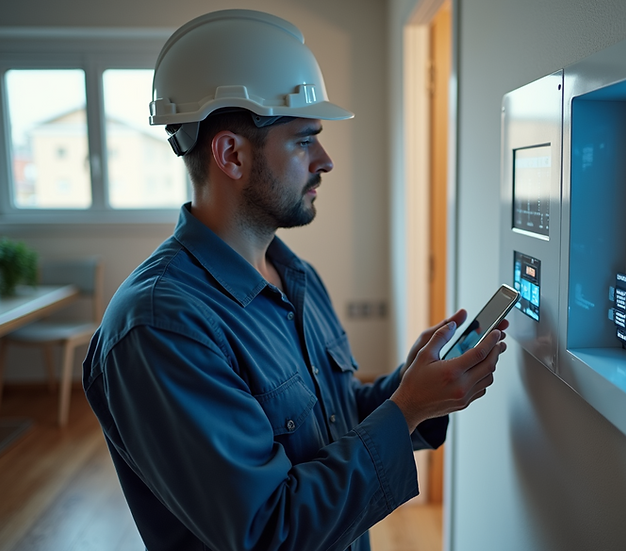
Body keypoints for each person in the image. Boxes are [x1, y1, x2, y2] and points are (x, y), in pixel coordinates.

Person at [82, 9, 507, 551]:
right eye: (305, 140)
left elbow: (329, 421)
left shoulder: (293, 276)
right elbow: (267, 531)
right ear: (231, 154)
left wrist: (412, 387)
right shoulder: (163, 326)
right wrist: (408, 410)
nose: (325, 160)